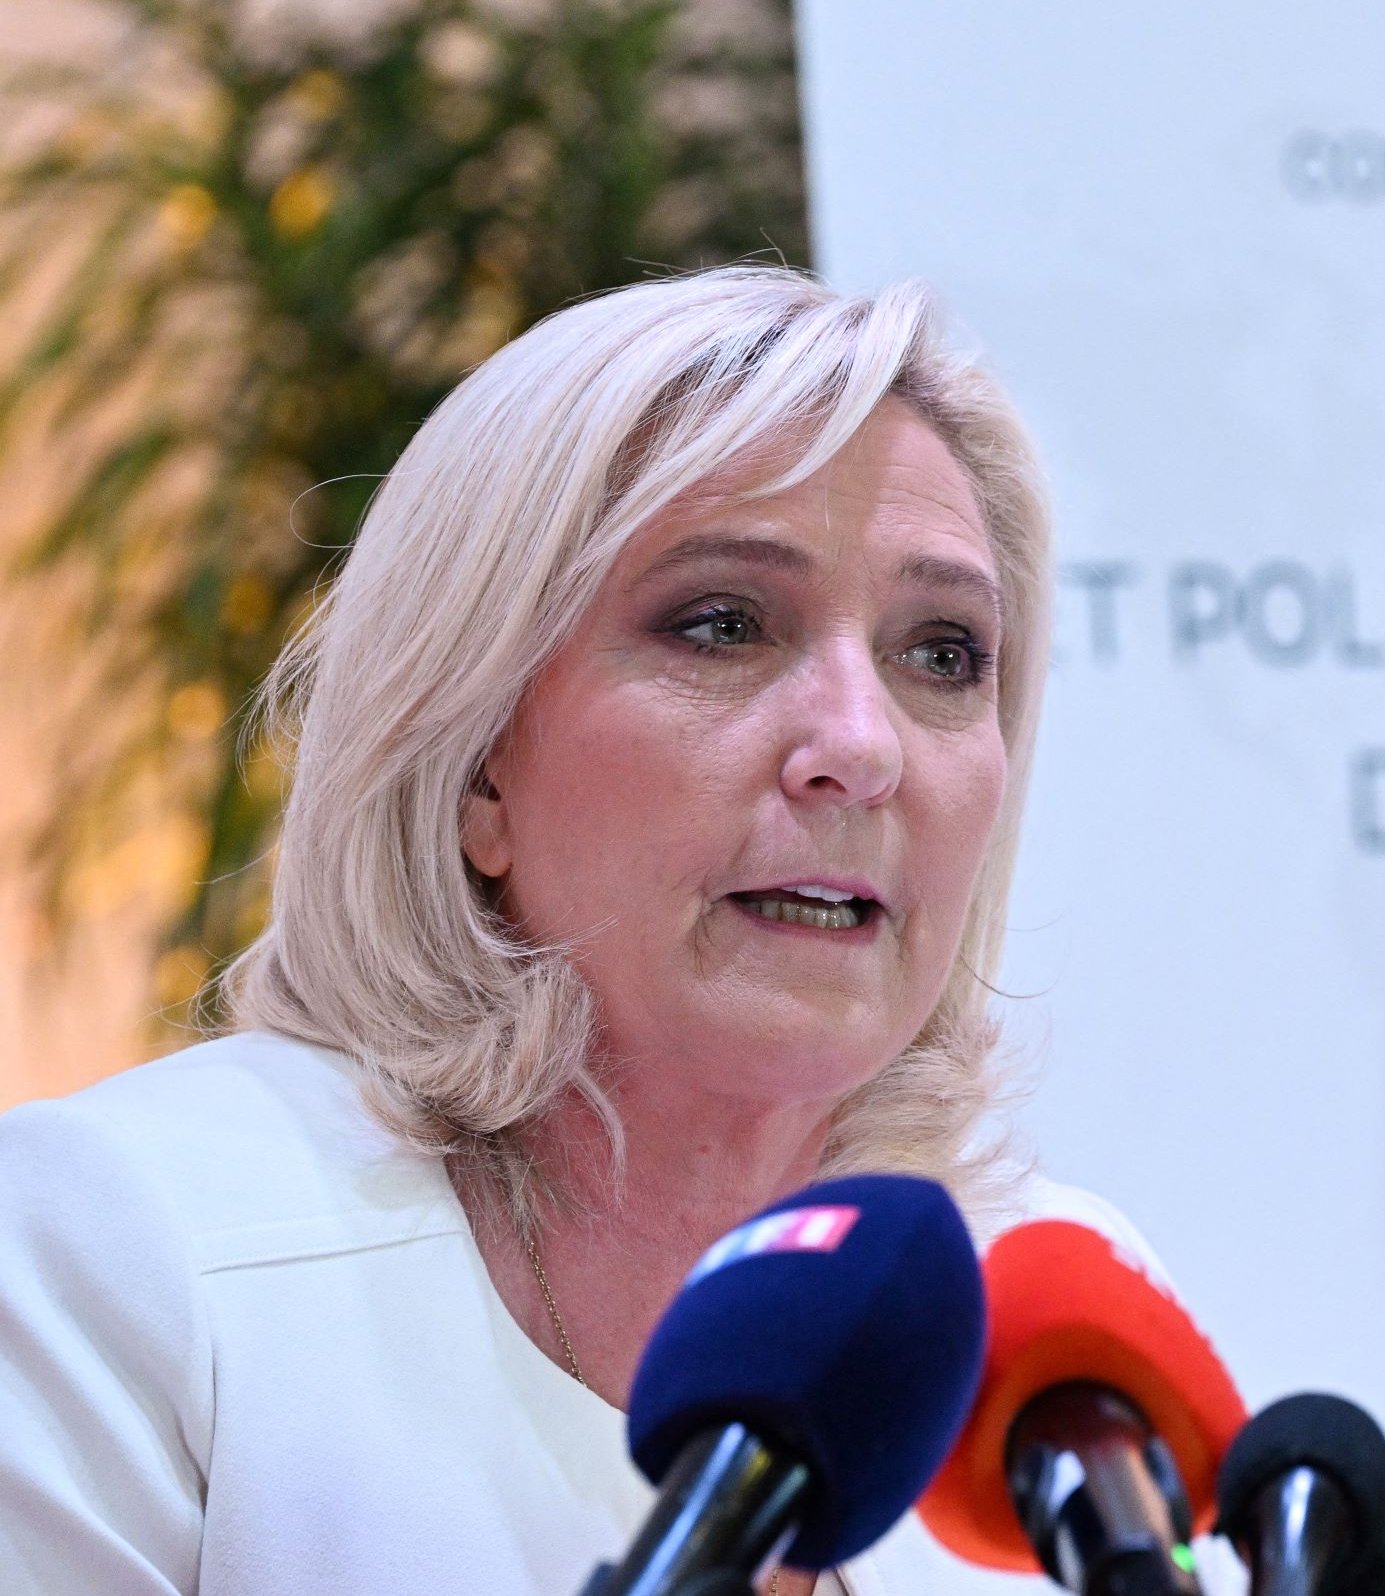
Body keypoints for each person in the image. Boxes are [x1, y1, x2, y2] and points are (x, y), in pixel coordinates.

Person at [0, 267, 1152, 1596]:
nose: (859, 745)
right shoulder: (123, 1256)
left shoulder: (1059, 1339)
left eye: (945, 653)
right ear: (477, 759)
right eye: (722, 624)